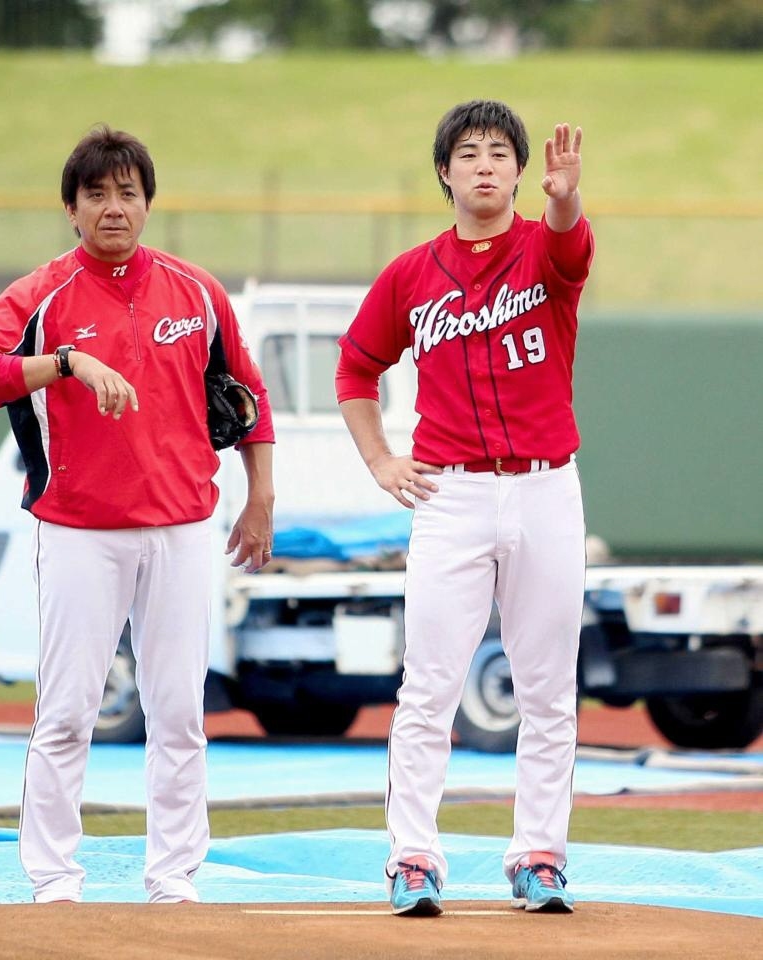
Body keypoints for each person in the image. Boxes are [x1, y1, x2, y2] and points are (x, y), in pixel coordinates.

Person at [0, 125, 275, 904]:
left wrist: (260, 496)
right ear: (71, 209)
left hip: (179, 530)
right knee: (66, 712)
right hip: (78, 532)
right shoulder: (42, 294)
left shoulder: (195, 290)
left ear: (147, 204)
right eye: (95, 193)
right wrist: (64, 361)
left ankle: (173, 878)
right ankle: (55, 879)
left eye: (127, 192)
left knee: (178, 714)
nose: (113, 207)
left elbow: (250, 398)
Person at [335, 99, 593, 916]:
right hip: (451, 492)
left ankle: (539, 856)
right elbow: (355, 367)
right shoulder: (412, 273)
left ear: (520, 171)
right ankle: (413, 858)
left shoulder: (542, 251)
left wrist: (562, 199)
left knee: (547, 688)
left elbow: (569, 245)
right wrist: (379, 458)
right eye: (469, 153)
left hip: (546, 485)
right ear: (444, 171)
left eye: (499, 154)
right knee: (429, 685)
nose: (485, 165)